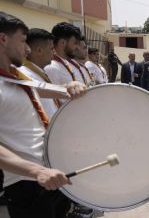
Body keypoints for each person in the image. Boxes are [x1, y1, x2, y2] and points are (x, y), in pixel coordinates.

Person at [0, 11, 86, 218]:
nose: (28, 48)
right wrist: (36, 171)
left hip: (49, 174)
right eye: (22, 41)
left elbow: (41, 88)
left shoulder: (15, 77)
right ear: (3, 39)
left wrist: (69, 86)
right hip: (26, 182)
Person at [18, 28, 60, 119]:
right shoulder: (24, 75)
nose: (54, 52)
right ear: (39, 50)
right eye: (51, 49)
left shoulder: (40, 73)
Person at [45, 22, 81, 87]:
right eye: (75, 43)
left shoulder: (66, 64)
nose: (78, 48)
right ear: (62, 43)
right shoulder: (51, 67)